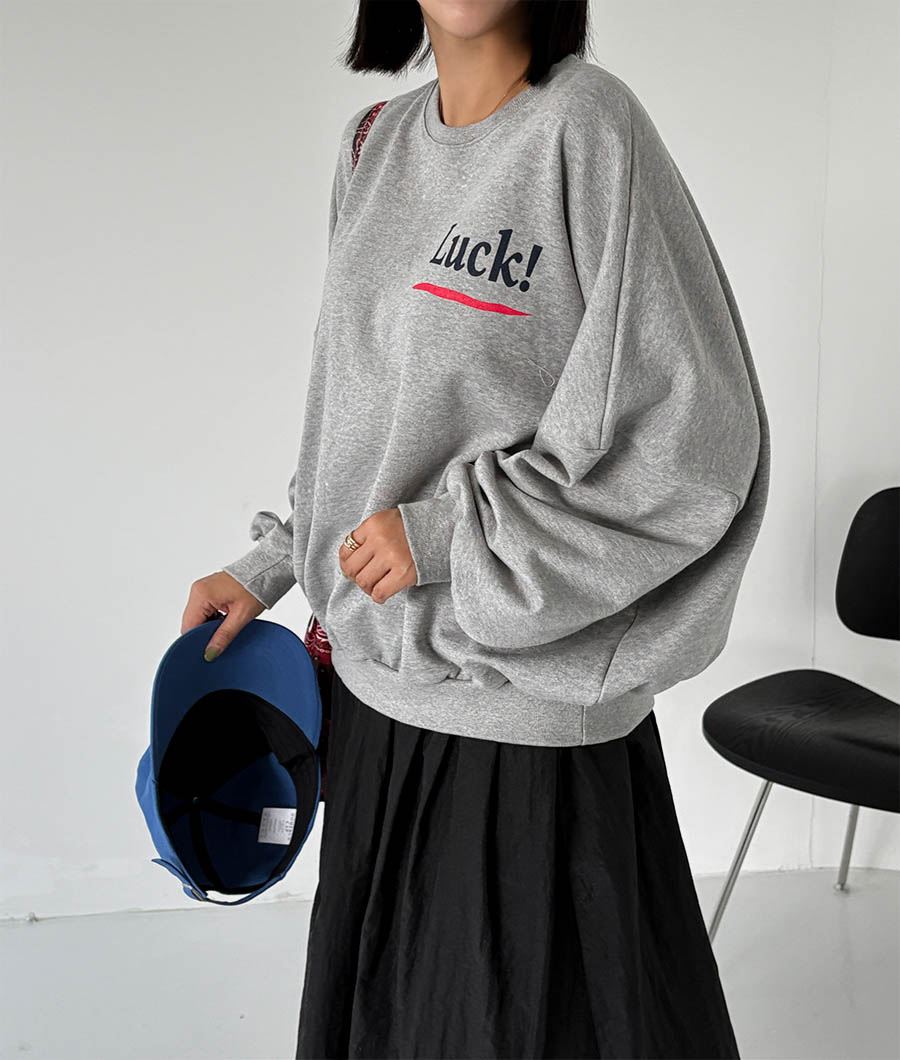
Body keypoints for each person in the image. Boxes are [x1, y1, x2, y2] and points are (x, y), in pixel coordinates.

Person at [182, 1, 770, 1056]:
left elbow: (692, 439)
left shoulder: (586, 128)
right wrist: (273, 562)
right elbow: (358, 419)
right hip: (379, 706)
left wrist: (449, 536)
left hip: (521, 726)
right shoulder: (372, 145)